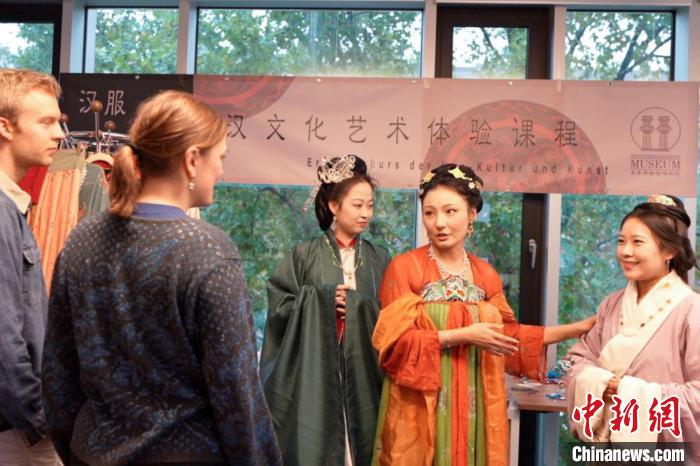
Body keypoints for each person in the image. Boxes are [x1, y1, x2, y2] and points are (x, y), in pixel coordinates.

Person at [41, 90, 282, 466]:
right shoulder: (208, 250)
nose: (221, 171)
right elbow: (237, 392)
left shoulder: (82, 239)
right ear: (192, 160)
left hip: (90, 453)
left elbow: (58, 373)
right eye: (220, 158)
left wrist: (77, 448)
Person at [371, 163, 596, 466]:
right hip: (421, 403)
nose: (439, 223)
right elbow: (394, 344)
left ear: (472, 214)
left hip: (475, 399)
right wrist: (463, 335)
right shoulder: (404, 268)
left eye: (450, 211)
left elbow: (509, 336)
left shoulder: (484, 273)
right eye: (430, 213)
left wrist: (578, 328)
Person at [260, 154, 390, 466]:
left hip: (366, 373)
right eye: (357, 205)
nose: (365, 213)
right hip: (317, 372)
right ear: (334, 205)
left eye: (370, 205)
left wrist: (359, 307)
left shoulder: (380, 259)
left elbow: (394, 313)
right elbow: (279, 309)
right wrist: (321, 300)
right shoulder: (303, 256)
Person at [565, 194, 700, 461]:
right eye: (621, 241)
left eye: (637, 242)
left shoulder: (692, 310)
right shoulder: (611, 304)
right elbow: (578, 360)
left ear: (670, 251)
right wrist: (599, 383)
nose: (625, 252)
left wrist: (630, 391)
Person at [0, 68, 63, 464]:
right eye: (46, 122)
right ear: (5, 126)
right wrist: (39, 421)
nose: (59, 134)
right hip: (15, 431)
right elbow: (3, 338)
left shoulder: (11, 205)